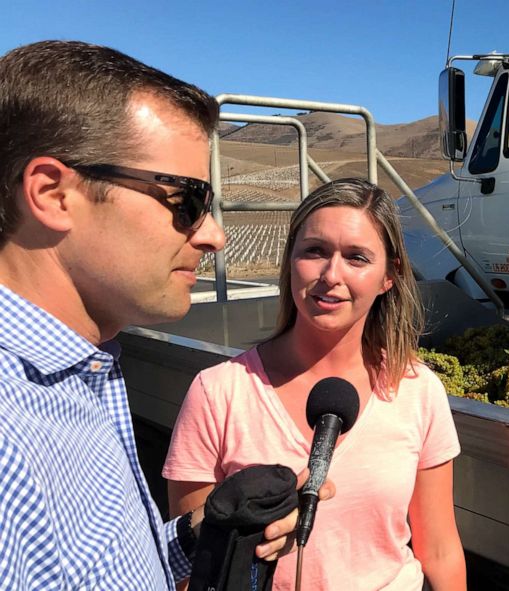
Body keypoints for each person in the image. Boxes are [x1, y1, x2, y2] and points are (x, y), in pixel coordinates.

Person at [0, 40, 331, 589]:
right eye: (186, 201)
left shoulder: (78, 378)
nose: (214, 235)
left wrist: (205, 533)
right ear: (53, 194)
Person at [164, 178, 467, 590]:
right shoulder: (218, 393)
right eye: (315, 251)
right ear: (291, 260)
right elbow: (192, 571)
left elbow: (440, 550)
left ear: (388, 277)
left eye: (357, 258)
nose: (330, 275)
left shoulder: (417, 390)